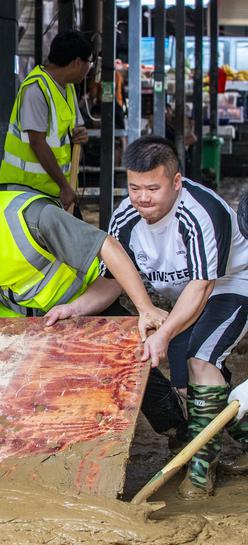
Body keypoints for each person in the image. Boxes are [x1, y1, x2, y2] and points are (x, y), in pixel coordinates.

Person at [0, 162, 185, 438]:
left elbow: (107, 246)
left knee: (130, 364)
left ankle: (177, 431)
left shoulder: (32, 216)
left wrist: (145, 308)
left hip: (82, 304)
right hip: (22, 320)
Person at [108, 137, 248, 498]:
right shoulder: (124, 217)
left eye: (153, 188)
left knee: (202, 359)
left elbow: (202, 286)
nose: (142, 198)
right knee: (188, 387)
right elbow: (112, 281)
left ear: (176, 182)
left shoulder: (199, 212)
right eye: (134, 187)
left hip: (230, 283)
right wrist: (74, 308)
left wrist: (164, 334)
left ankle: (202, 469)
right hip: (184, 298)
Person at [0, 30, 92, 207]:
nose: (89, 69)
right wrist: (64, 187)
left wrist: (80, 135)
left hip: (51, 189)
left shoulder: (68, 89)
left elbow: (72, 129)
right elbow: (37, 142)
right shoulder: (36, 89)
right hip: (27, 189)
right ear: (77, 62)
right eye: (90, 63)